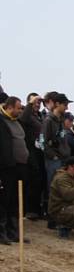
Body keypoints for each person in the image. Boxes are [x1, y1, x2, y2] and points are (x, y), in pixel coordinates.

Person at [0, 96, 29, 244]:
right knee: (4, 200)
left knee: (15, 201)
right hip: (6, 167)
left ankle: (14, 231)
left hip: (20, 167)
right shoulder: (1, 121)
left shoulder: (16, 122)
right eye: (18, 108)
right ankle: (2, 232)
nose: (20, 110)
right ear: (10, 107)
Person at [19, 93, 45, 220]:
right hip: (29, 150)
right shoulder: (25, 113)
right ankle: (28, 210)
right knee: (31, 180)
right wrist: (30, 103)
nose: (37, 104)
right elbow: (23, 119)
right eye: (35, 102)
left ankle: (36, 209)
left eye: (39, 102)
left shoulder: (39, 116)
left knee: (39, 180)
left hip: (39, 151)